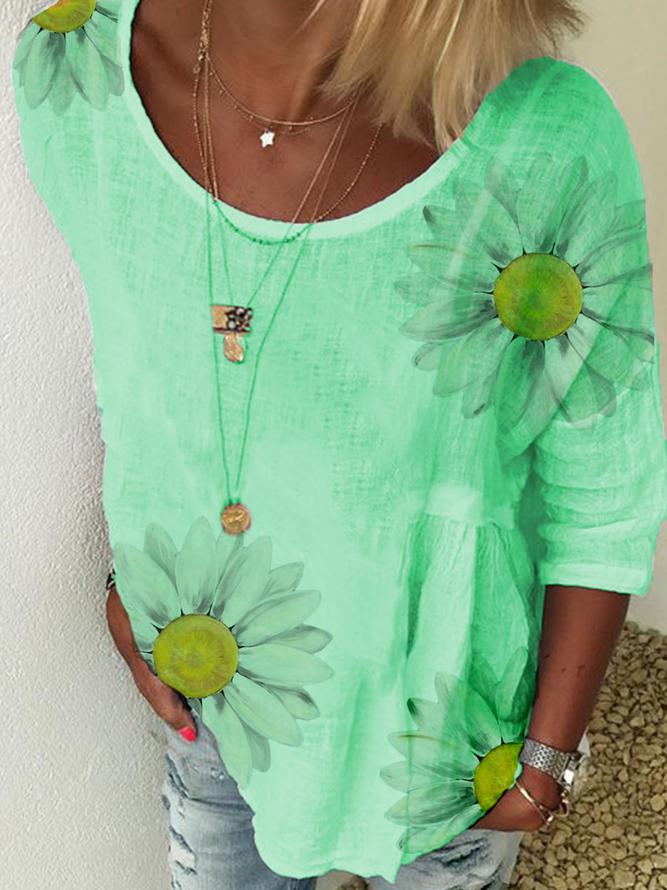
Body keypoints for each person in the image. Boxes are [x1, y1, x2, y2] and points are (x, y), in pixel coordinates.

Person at [11, 0, 667, 888]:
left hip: (447, 734)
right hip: (216, 707)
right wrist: (130, 575)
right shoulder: (72, 70)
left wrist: (548, 758)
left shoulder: (543, 135)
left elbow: (603, 477)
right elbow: (148, 389)